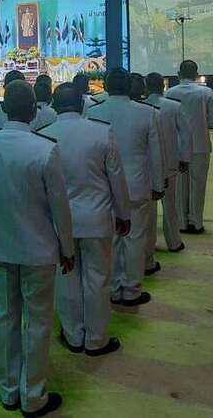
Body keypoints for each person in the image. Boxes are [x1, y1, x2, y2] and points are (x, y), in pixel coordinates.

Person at [0, 80, 73, 415]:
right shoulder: (45, 149)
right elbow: (60, 208)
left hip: (0, 246)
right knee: (38, 322)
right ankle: (33, 396)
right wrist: (67, 248)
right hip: (39, 251)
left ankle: (8, 391)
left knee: (6, 318)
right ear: (34, 111)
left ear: (3, 109)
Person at [42, 83, 131, 357]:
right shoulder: (102, 132)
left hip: (59, 224)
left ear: (54, 105)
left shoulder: (43, 135)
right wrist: (124, 214)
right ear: (82, 105)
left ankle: (73, 335)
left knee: (66, 279)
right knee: (98, 279)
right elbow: (117, 178)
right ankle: (96, 339)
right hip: (97, 219)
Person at [87, 68, 163, 307]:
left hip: (103, 186)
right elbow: (156, 154)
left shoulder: (93, 112)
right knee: (134, 239)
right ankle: (131, 290)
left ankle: (111, 288)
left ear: (106, 86)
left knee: (109, 239)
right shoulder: (147, 113)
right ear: (130, 87)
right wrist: (158, 184)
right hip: (136, 185)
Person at [166, 60, 213, 234]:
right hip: (200, 145)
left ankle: (181, 223)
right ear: (197, 74)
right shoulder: (206, 92)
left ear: (178, 74)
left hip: (177, 146)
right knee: (198, 185)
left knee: (180, 187)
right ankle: (196, 222)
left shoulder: (170, 92)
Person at [144, 73, 187, 257]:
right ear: (163, 86)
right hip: (169, 162)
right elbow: (185, 134)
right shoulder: (174, 106)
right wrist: (184, 158)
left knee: (149, 209)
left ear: (146, 87)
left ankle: (149, 244)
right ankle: (174, 242)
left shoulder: (141, 107)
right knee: (170, 205)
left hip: (147, 165)